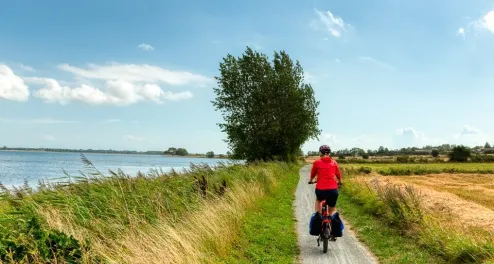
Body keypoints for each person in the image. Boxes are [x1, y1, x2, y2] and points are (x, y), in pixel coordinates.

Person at [308, 145, 342, 216]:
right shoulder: (334, 162)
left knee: (318, 200)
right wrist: (339, 181)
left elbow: (313, 173)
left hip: (321, 190)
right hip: (333, 190)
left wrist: (311, 180)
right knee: (331, 210)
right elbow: (338, 174)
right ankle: (330, 219)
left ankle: (318, 216)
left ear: (320, 153)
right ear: (329, 153)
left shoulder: (317, 162)